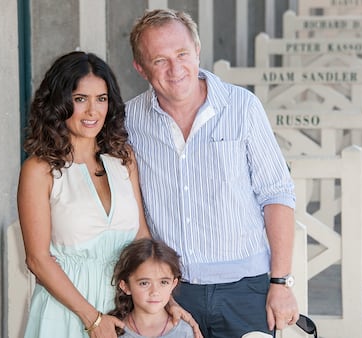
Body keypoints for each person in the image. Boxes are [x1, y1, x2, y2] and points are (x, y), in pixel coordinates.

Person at [125, 9, 299, 337]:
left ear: (198, 51)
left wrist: (281, 282)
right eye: (160, 60)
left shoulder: (242, 107)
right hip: (170, 293)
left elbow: (276, 193)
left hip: (246, 290)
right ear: (141, 67)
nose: (175, 69)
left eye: (182, 54)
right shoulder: (129, 122)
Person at [18, 51, 151, 338]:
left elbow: (141, 234)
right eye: (80, 99)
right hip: (66, 313)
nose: (93, 111)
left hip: (124, 310)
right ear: (58, 103)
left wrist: (163, 300)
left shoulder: (123, 158)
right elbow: (37, 260)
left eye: (101, 99)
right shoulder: (39, 170)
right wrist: (93, 319)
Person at [109, 238, 194, 338]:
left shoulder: (184, 332)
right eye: (144, 283)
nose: (155, 292)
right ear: (125, 286)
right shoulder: (114, 332)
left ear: (173, 284)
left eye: (163, 282)